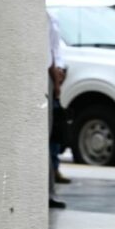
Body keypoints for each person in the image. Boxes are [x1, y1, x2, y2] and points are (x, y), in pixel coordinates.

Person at [48, 11, 68, 208]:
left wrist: (59, 70)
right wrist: (56, 82)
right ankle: (48, 191)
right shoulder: (46, 16)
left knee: (52, 135)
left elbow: (55, 49)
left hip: (51, 74)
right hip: (48, 75)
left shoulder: (50, 16)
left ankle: (50, 185)